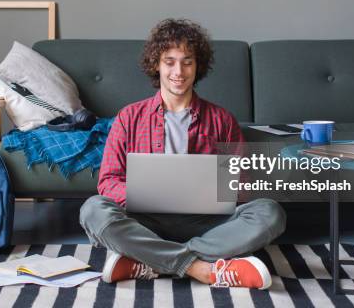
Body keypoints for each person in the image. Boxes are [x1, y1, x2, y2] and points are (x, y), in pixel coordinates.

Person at [79, 19, 286, 289]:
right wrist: (146, 195)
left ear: (197, 66)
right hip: (145, 221)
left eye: (187, 62)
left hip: (207, 223)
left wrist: (213, 192)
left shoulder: (222, 119)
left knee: (270, 213)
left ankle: (150, 261)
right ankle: (202, 268)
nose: (179, 71)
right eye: (170, 61)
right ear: (157, 64)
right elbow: (108, 182)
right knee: (93, 210)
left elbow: (240, 184)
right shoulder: (129, 117)